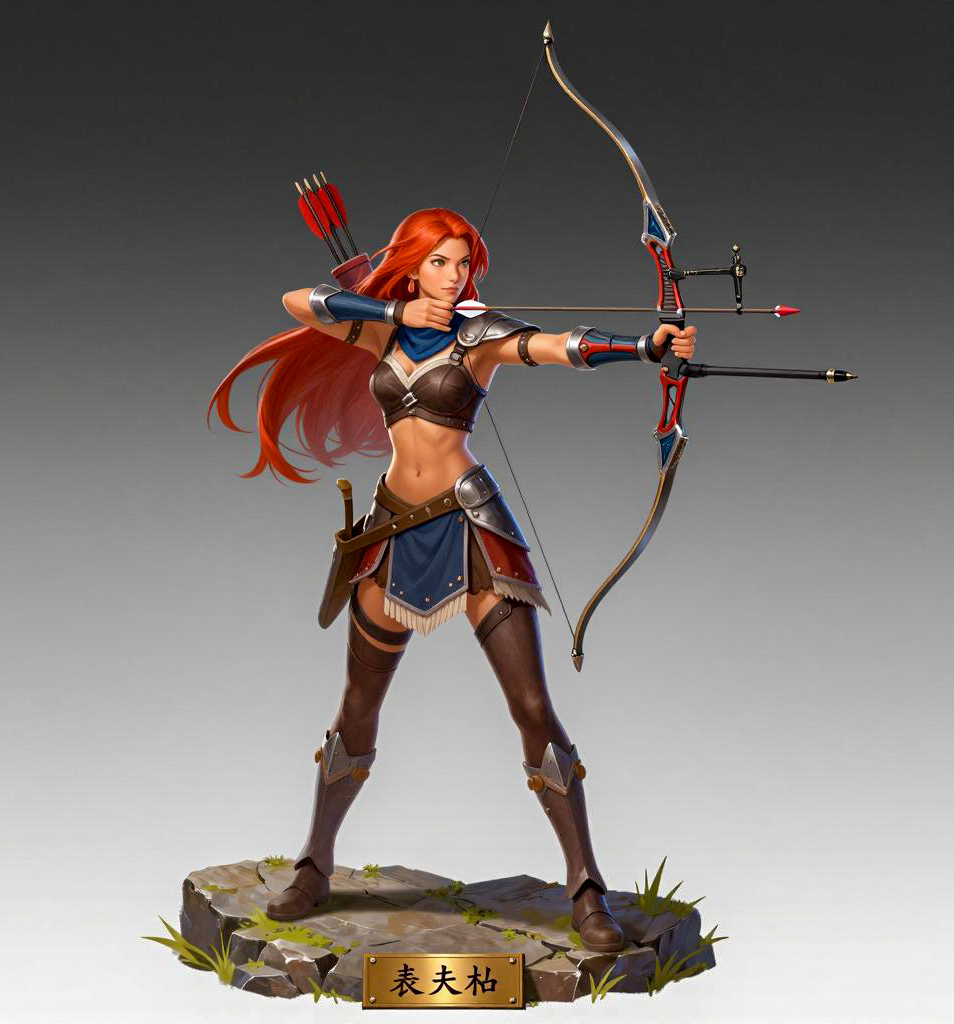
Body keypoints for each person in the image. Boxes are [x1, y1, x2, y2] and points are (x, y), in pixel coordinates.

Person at [208, 208, 696, 953]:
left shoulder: (480, 335)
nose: (454, 275)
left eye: (463, 263)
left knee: (531, 706)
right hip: (392, 528)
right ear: (410, 266)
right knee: (357, 706)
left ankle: (586, 888)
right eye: (439, 261)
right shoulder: (381, 332)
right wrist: (393, 312)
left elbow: (556, 346)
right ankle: (314, 866)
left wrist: (643, 345)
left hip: (473, 526)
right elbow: (300, 302)